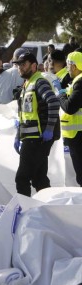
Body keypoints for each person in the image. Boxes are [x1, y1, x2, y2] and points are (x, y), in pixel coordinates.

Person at [12, 50, 60, 197]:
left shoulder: (39, 82)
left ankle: (24, 211)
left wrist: (49, 129)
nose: (20, 67)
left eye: (23, 64)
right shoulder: (27, 85)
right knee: (39, 179)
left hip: (37, 138)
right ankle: (48, 210)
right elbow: (23, 115)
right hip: (31, 137)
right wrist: (18, 135)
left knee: (22, 178)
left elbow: (53, 102)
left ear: (33, 66)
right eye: (18, 64)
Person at [57, 51, 82, 187]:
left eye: (68, 65)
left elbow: (70, 107)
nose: (67, 68)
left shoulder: (80, 82)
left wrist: (61, 95)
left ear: (75, 66)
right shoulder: (77, 81)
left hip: (78, 136)